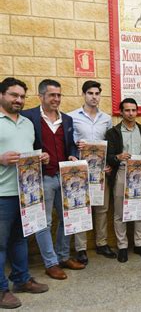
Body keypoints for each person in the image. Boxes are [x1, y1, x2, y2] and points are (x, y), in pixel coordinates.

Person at [22, 79, 85, 280]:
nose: (56, 99)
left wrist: (73, 154)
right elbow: (23, 144)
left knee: (68, 217)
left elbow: (70, 146)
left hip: (65, 176)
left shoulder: (66, 120)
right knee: (44, 222)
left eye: (59, 95)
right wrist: (35, 155)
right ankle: (50, 263)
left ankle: (63, 256)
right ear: (41, 96)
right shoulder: (28, 117)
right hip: (42, 178)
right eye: (52, 95)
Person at [0, 77, 49, 308]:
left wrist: (41, 157)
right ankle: (1, 290)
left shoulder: (28, 123)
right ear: (2, 95)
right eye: (13, 95)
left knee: (20, 239)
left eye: (21, 96)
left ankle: (21, 279)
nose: (18, 100)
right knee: (0, 244)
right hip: (2, 194)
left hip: (26, 193)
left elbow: (28, 154)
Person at [68, 80, 116, 265]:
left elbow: (110, 145)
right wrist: (75, 146)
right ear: (84, 94)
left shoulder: (106, 118)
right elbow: (67, 143)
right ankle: (81, 249)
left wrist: (109, 164)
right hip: (79, 171)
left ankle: (102, 243)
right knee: (81, 208)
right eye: (90, 93)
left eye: (97, 93)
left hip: (100, 172)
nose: (94, 97)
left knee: (101, 209)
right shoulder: (72, 117)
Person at [105, 98, 141, 263]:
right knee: (119, 212)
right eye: (127, 110)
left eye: (133, 110)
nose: (131, 113)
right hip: (122, 172)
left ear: (137, 111)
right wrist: (117, 157)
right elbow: (107, 156)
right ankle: (122, 246)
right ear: (121, 112)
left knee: (140, 210)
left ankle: (139, 244)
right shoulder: (113, 132)